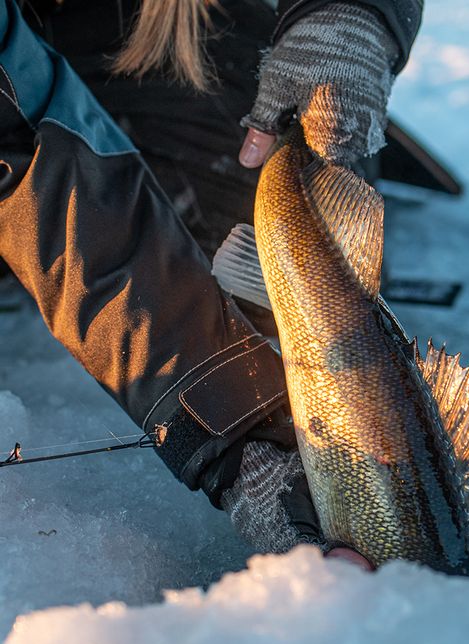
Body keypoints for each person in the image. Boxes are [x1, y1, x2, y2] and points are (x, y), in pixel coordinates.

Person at [0, 0, 422, 568]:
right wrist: (243, 442)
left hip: (172, 27)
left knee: (289, 229)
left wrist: (348, 15)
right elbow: (20, 144)